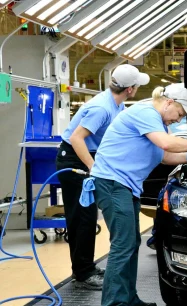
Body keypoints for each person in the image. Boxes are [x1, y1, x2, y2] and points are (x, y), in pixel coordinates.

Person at [86, 83, 187, 306]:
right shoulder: (145, 113)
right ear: (168, 103)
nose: (179, 119)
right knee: (123, 245)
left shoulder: (156, 121)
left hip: (124, 185)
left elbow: (164, 156)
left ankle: (128, 299)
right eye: (179, 113)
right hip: (113, 183)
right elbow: (166, 144)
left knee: (131, 243)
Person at [56, 64, 149, 290]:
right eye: (136, 85)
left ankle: (85, 267)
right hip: (75, 160)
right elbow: (78, 139)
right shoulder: (102, 108)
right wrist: (93, 167)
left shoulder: (116, 104)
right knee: (83, 218)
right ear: (130, 89)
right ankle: (83, 272)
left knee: (88, 217)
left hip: (86, 158)